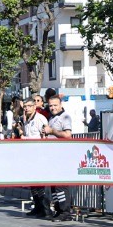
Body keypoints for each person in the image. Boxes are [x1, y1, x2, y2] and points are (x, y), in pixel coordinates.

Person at [41, 90, 75, 219]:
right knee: (54, 186)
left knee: (61, 185)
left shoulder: (65, 117)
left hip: (62, 156)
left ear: (60, 105)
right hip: (52, 156)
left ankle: (65, 211)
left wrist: (53, 131)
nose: (53, 108)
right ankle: (58, 210)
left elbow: (67, 135)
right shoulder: (51, 118)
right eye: (50, 105)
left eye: (55, 105)